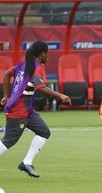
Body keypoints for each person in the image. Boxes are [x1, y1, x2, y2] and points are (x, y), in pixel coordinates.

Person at [0, 41, 71, 178]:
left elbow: (6, 75)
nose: (48, 56)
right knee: (9, 140)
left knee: (44, 132)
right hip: (19, 111)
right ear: (42, 54)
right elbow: (40, 86)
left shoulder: (23, 64)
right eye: (48, 53)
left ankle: (26, 162)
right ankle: (26, 163)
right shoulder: (36, 67)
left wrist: (6, 95)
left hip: (28, 110)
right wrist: (60, 95)